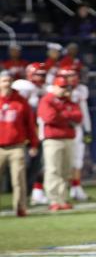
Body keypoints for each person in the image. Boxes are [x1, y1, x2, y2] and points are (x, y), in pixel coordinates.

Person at [37, 76, 82, 211]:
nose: (64, 90)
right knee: (53, 170)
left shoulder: (68, 101)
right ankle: (53, 200)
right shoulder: (47, 100)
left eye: (65, 87)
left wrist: (62, 116)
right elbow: (49, 117)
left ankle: (62, 199)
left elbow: (78, 117)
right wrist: (67, 117)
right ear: (55, 86)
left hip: (68, 138)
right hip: (52, 139)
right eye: (61, 87)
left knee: (65, 171)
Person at [0, 72, 39, 217]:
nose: (7, 83)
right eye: (4, 81)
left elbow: (30, 124)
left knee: (18, 179)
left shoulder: (21, 101)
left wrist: (33, 144)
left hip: (17, 145)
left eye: (9, 80)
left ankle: (20, 208)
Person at [60, 66, 92, 201]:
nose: (72, 78)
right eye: (69, 76)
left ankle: (76, 188)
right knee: (58, 162)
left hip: (77, 128)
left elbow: (84, 110)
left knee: (77, 160)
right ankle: (42, 190)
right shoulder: (54, 91)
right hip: (60, 130)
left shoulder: (81, 90)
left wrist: (88, 129)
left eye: (74, 75)